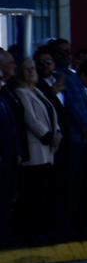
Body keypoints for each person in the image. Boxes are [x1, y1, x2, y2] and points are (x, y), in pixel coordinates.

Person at [13, 55, 60, 245]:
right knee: (34, 194)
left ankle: (43, 231)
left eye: (33, 68)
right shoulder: (21, 92)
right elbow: (31, 119)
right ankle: (32, 233)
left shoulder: (38, 91)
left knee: (45, 193)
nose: (31, 72)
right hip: (36, 149)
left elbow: (52, 112)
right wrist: (48, 136)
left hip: (49, 150)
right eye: (27, 69)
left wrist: (58, 133)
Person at [0, 48, 26, 246]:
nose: (14, 67)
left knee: (9, 197)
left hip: (10, 154)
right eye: (10, 64)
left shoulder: (8, 90)